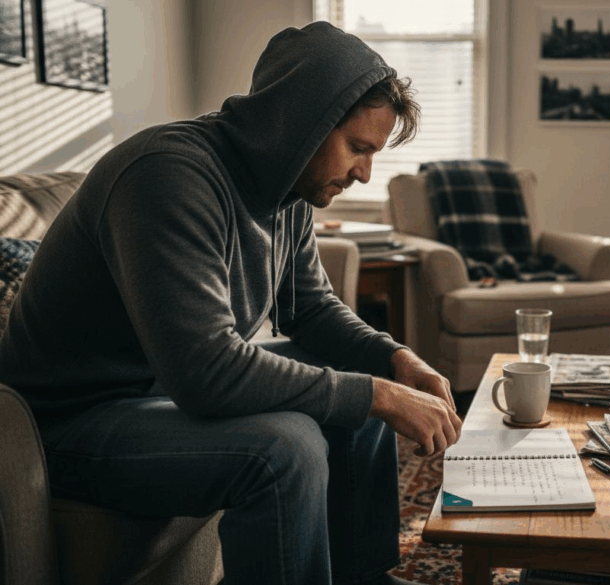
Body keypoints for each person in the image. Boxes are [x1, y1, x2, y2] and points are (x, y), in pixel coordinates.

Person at [0, 22, 461, 585]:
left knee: (363, 387)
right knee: (285, 450)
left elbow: (312, 308)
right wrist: (377, 393)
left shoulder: (288, 189)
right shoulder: (166, 175)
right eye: (358, 149)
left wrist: (395, 362)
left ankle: (361, 576)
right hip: (66, 425)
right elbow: (205, 370)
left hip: (155, 399)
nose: (364, 174)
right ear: (301, 122)